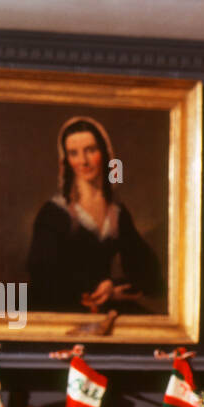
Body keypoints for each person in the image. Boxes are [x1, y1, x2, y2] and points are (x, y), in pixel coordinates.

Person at [27, 116, 162, 313]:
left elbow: (148, 274)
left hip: (105, 305)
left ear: (105, 154)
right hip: (61, 308)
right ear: (66, 161)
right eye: (74, 153)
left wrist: (112, 288)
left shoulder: (117, 212)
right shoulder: (53, 213)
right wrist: (94, 287)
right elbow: (42, 276)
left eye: (91, 150)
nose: (83, 161)